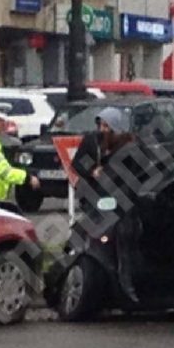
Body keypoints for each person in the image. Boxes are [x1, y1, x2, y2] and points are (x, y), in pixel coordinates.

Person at [72, 107, 141, 303]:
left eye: (107, 126)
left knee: (123, 243)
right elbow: (78, 163)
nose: (102, 130)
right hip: (95, 200)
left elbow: (134, 175)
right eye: (100, 125)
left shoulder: (128, 146)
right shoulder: (92, 141)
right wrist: (92, 170)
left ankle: (125, 285)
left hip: (121, 204)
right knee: (95, 241)